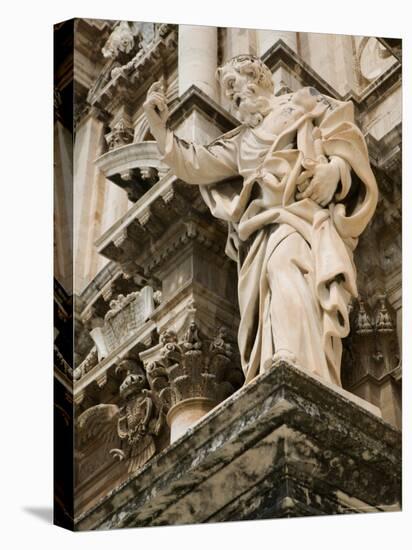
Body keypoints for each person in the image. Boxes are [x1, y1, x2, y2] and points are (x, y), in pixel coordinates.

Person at [143, 54, 378, 387]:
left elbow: (344, 134)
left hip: (301, 218)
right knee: (268, 290)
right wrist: (160, 130)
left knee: (287, 265)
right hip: (262, 229)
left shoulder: (304, 104)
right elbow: (196, 163)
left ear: (259, 79)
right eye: (228, 92)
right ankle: (280, 358)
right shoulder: (241, 142)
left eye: (234, 85)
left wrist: (335, 170)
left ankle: (303, 362)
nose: (233, 96)